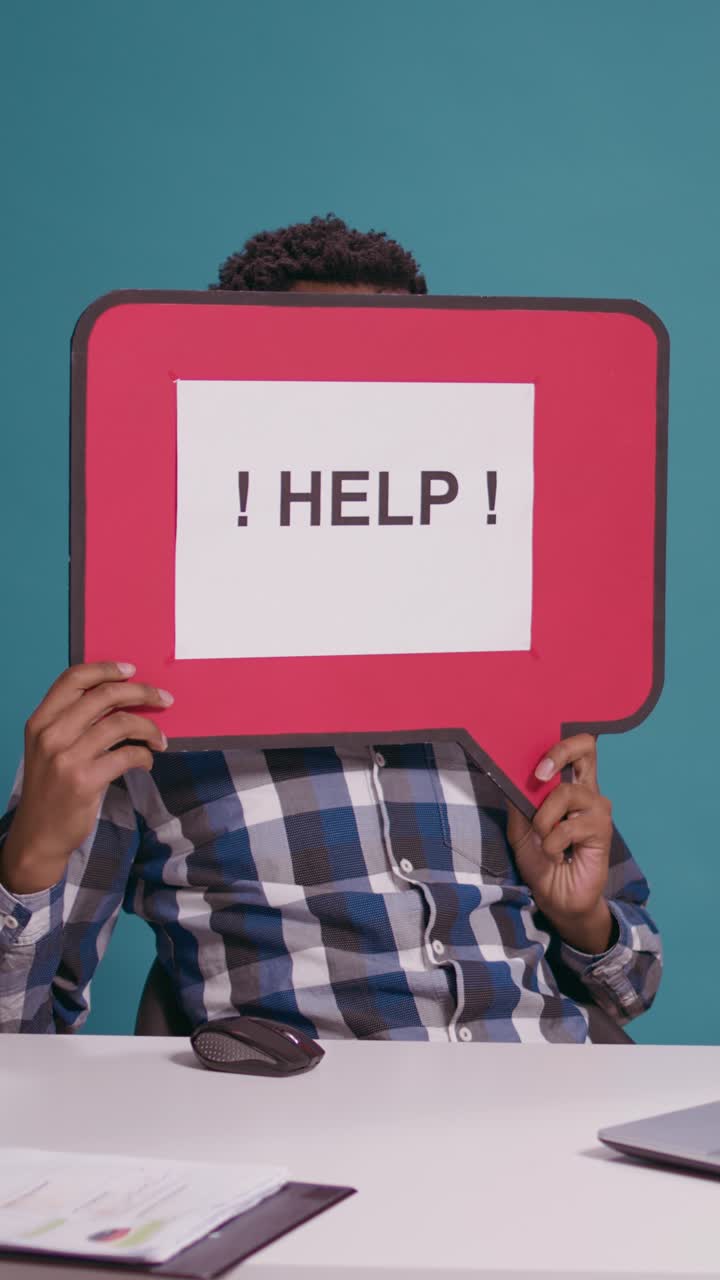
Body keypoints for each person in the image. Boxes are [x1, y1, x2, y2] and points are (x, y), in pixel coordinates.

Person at [0, 215, 661, 1040]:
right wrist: (25, 867)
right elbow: (19, 1046)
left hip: (544, 1105)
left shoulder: (504, 668)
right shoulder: (135, 709)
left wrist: (585, 915)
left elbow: (634, 987)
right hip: (311, 1125)